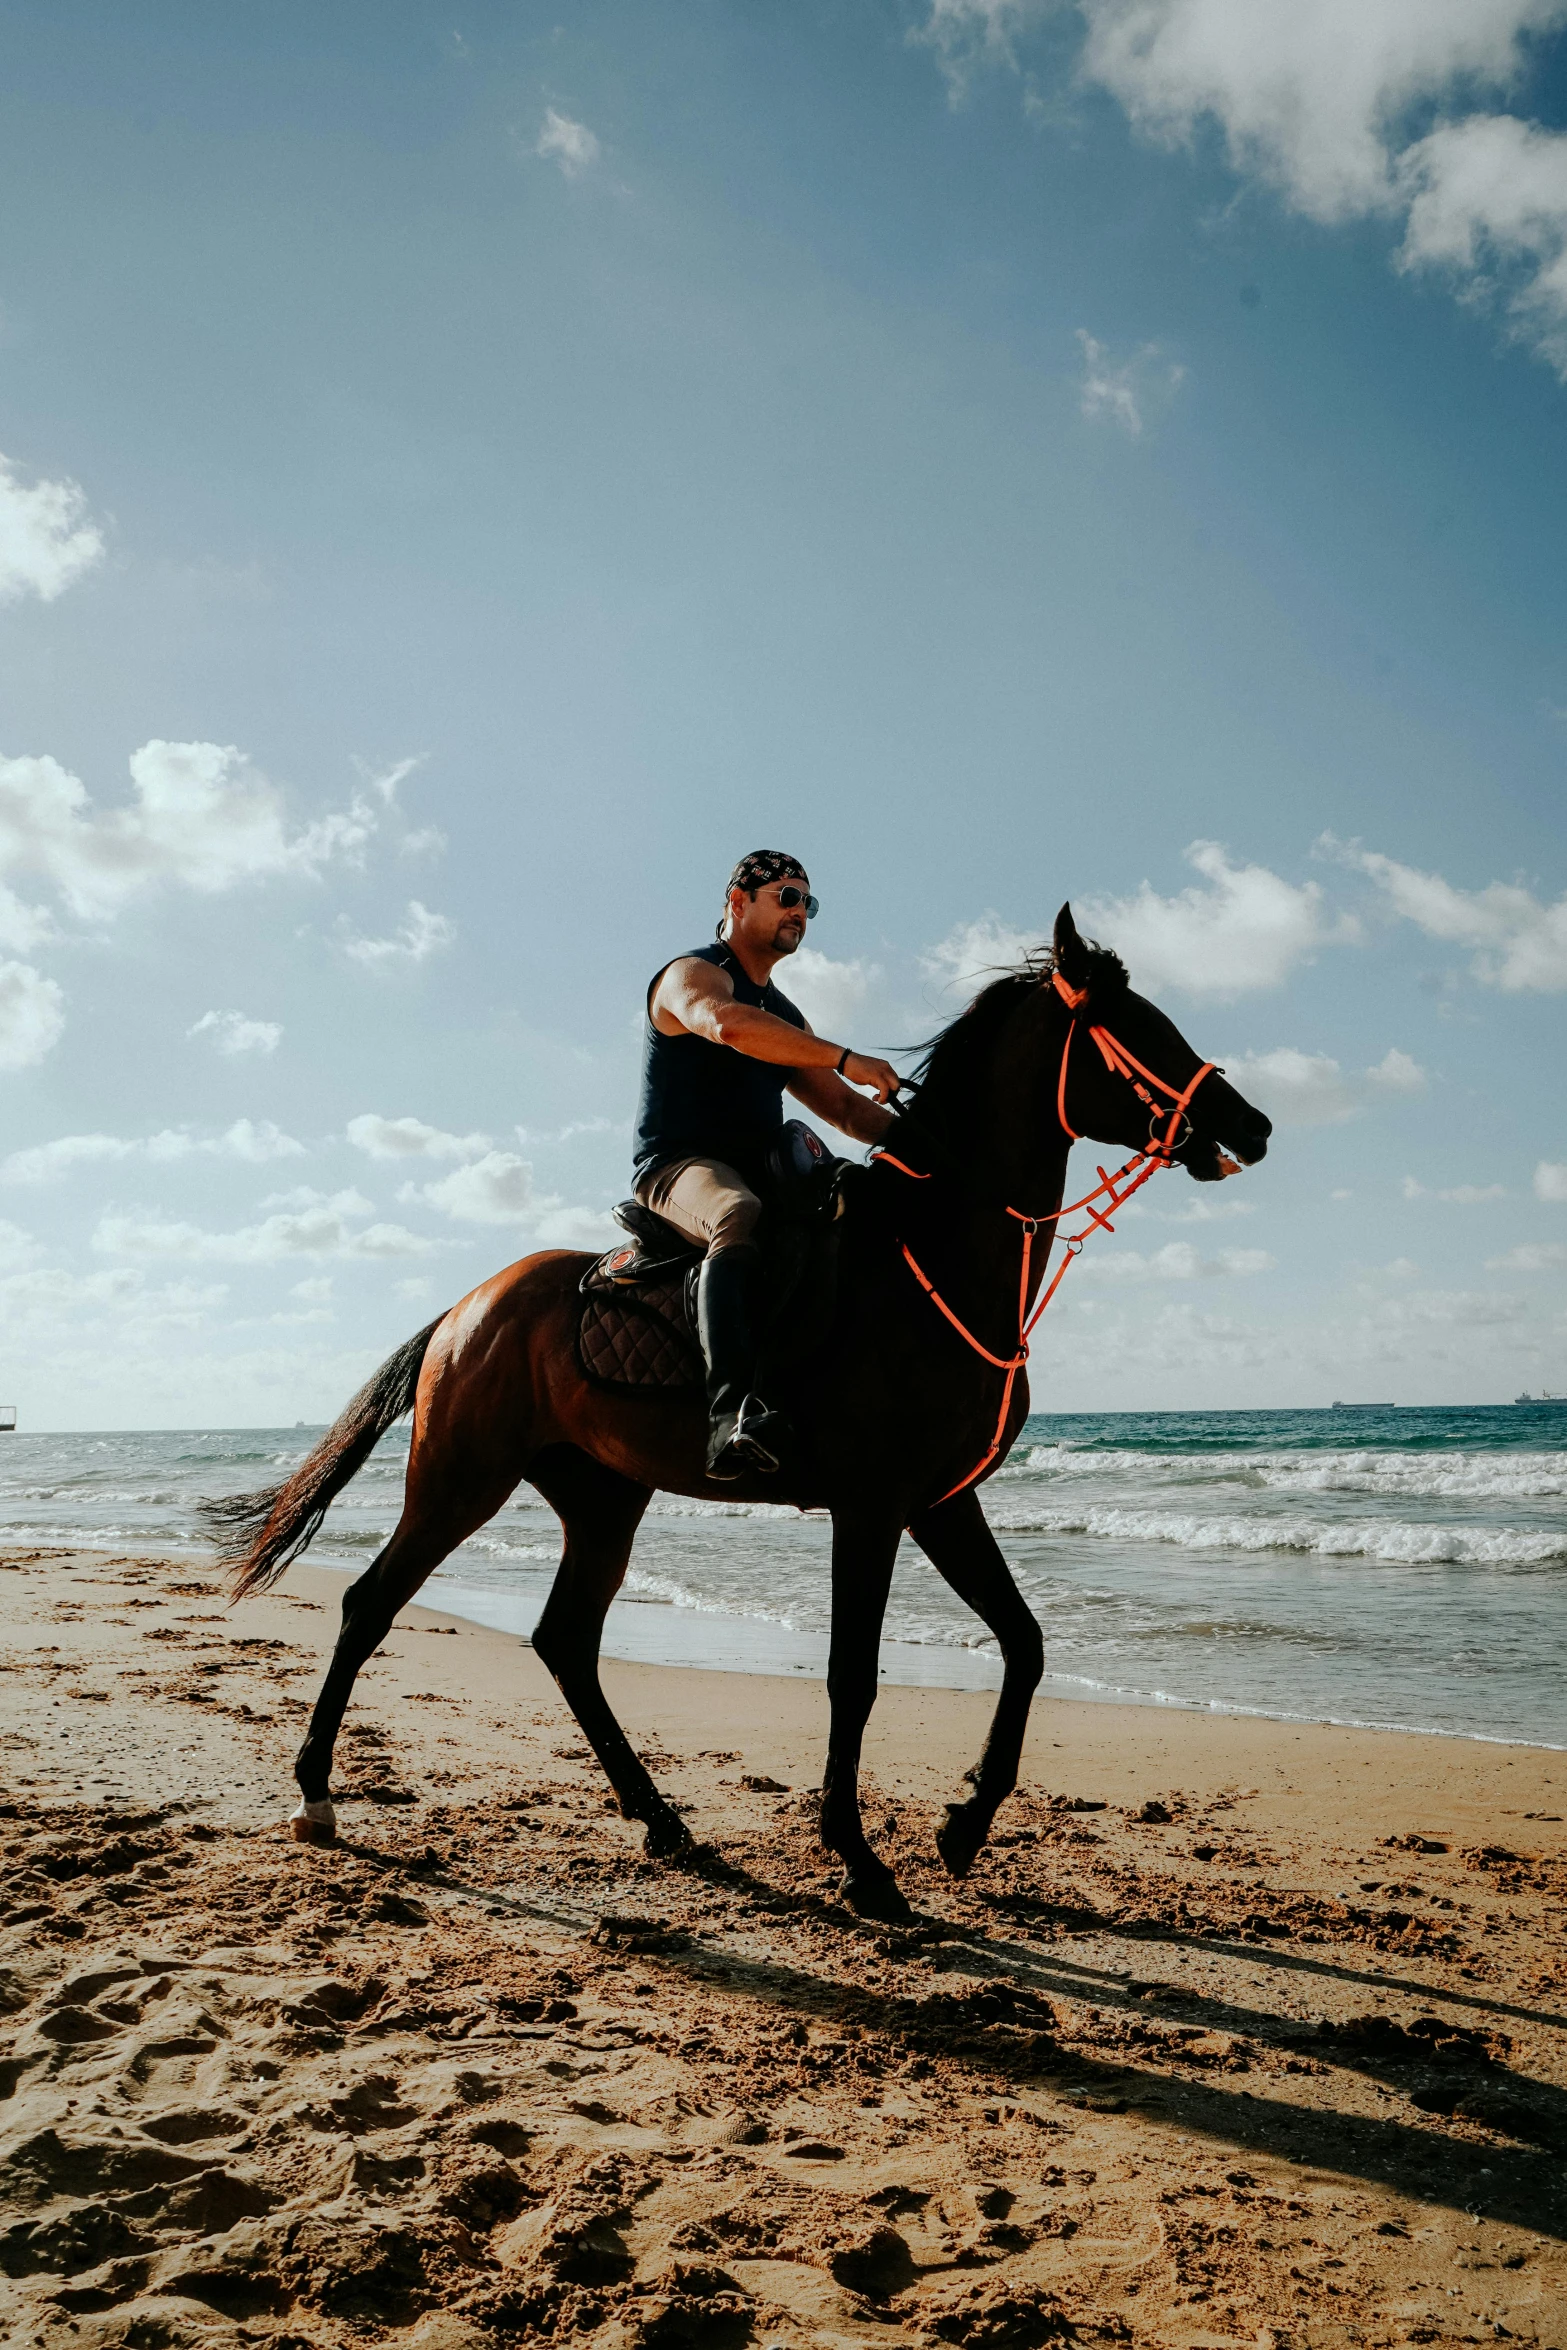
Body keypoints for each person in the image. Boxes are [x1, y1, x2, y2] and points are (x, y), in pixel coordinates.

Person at [632, 850, 902, 1481]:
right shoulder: (690, 974)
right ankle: (732, 1418)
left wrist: (938, 1143)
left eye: (809, 902)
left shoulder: (784, 1016)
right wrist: (844, 1054)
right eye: (786, 896)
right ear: (737, 901)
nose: (800, 911)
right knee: (737, 1213)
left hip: (761, 1164)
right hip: (678, 1168)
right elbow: (724, 1024)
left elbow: (846, 1111)